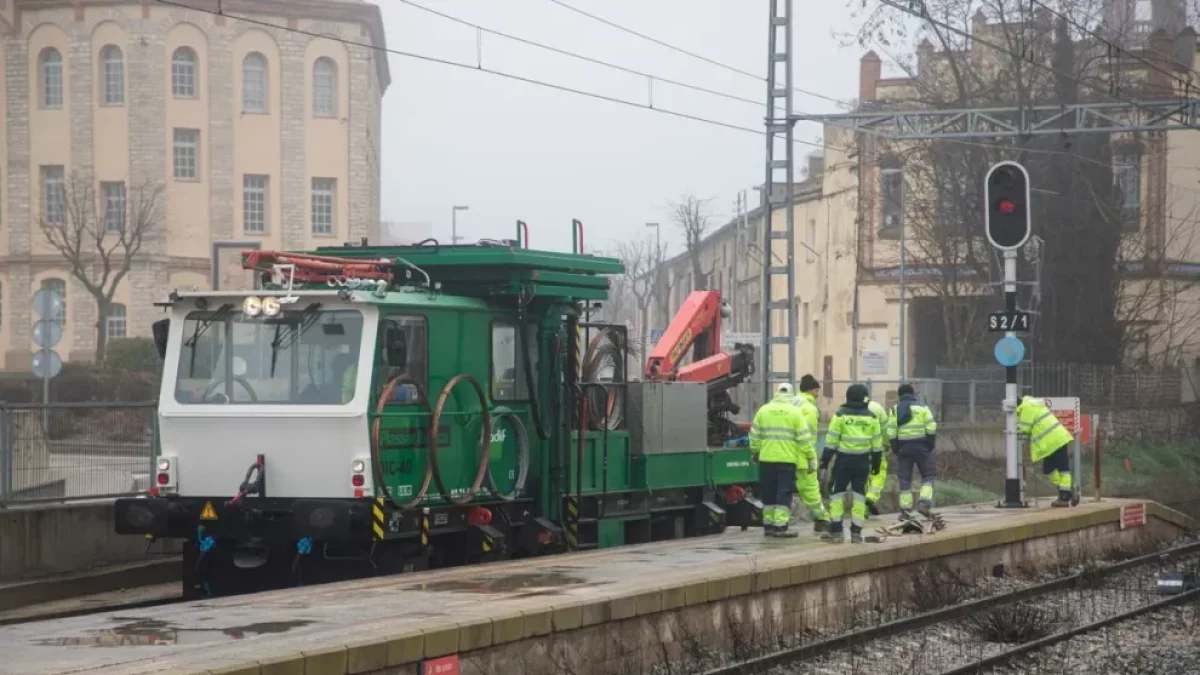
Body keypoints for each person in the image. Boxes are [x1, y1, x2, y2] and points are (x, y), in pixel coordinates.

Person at [819, 384, 882, 544]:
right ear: (864, 397)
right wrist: (876, 463)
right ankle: (856, 532)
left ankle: (837, 530)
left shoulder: (840, 415)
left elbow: (831, 440)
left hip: (843, 461)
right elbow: (877, 444)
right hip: (862, 462)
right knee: (860, 496)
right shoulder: (872, 417)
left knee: (836, 493)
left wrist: (825, 461)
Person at [749, 382, 811, 538]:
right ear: (791, 394)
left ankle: (768, 525)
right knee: (783, 492)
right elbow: (804, 439)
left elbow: (754, 435)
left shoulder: (763, 410)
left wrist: (755, 452)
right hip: (786, 460)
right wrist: (810, 457)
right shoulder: (795, 412)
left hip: (766, 459)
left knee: (768, 492)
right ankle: (781, 526)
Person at [886, 383, 938, 518]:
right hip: (922, 446)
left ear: (899, 395)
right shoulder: (923, 408)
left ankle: (905, 511)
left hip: (903, 448)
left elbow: (891, 432)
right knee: (928, 475)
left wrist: (896, 447)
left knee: (905, 479)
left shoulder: (895, 409)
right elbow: (931, 427)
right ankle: (924, 503)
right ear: (913, 394)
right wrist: (930, 444)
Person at [1015, 396, 1076, 507]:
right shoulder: (1033, 404)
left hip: (1052, 442)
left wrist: (1014, 424)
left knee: (1061, 469)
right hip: (1057, 440)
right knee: (1052, 468)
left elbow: (1024, 428)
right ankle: (1067, 490)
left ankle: (1065, 496)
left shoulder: (1027, 408)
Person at [791, 375, 831, 532]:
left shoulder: (791, 402)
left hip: (785, 453)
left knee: (781, 488)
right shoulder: (809, 408)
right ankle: (822, 519)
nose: (817, 394)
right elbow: (806, 435)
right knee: (811, 487)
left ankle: (775, 523)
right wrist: (811, 457)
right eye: (816, 390)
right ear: (811, 390)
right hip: (802, 455)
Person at [863, 391, 890, 516]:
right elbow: (885, 429)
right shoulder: (877, 407)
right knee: (879, 472)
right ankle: (871, 497)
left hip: (854, 449)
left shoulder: (845, 408)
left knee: (861, 478)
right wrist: (888, 444)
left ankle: (862, 511)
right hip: (875, 448)